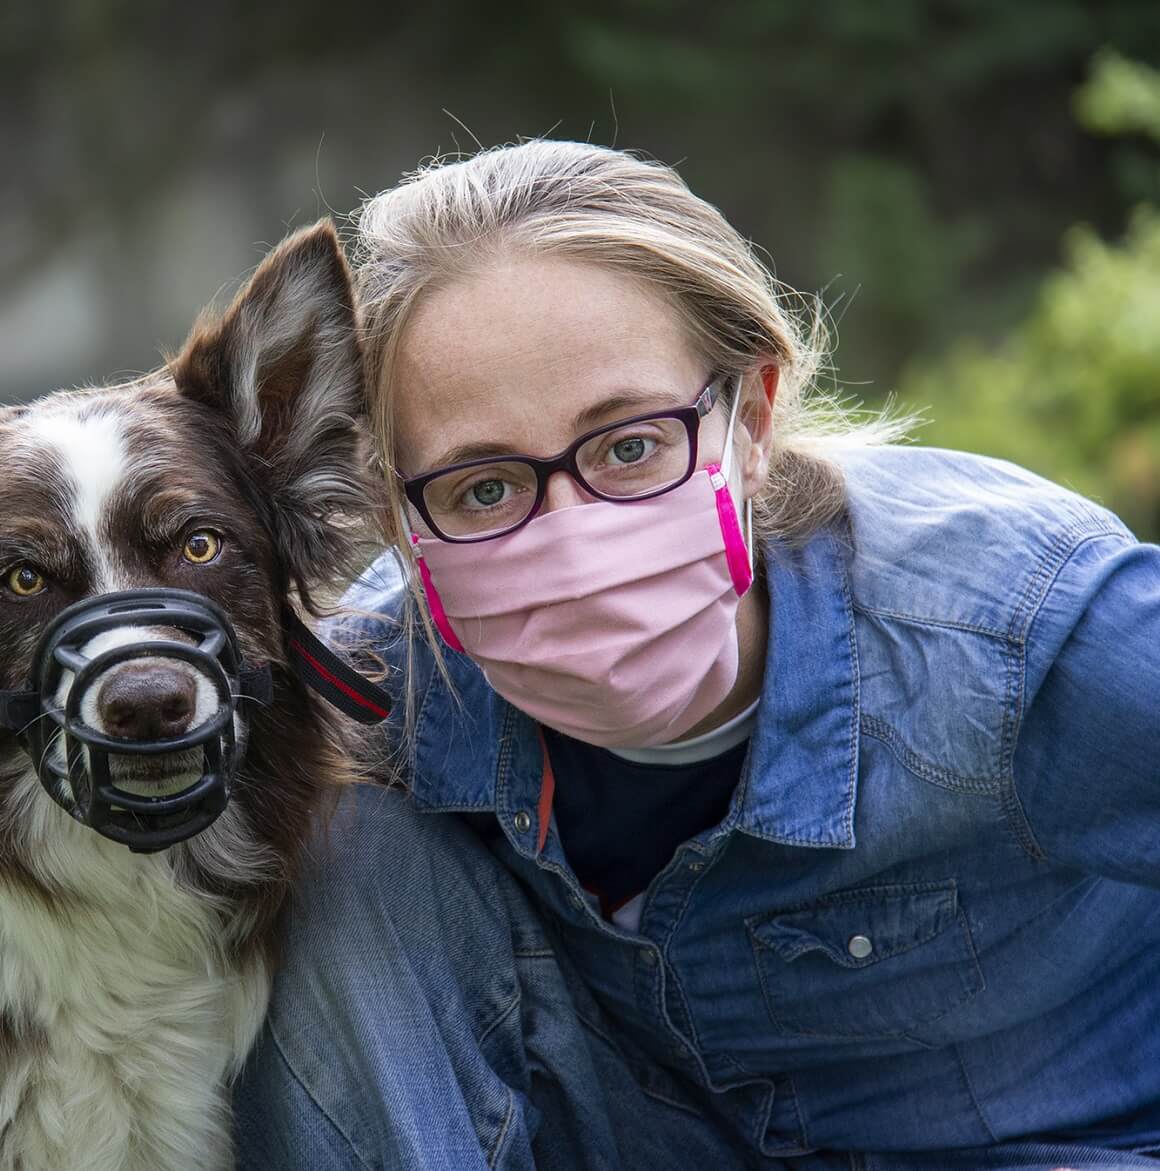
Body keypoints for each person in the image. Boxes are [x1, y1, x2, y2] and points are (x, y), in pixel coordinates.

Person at [231, 140, 1160, 1170]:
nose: (573, 541)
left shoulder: (1011, 635)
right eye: (482, 487)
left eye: (629, 445)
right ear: (398, 519)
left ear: (750, 418)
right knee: (322, 836)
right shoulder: (371, 698)